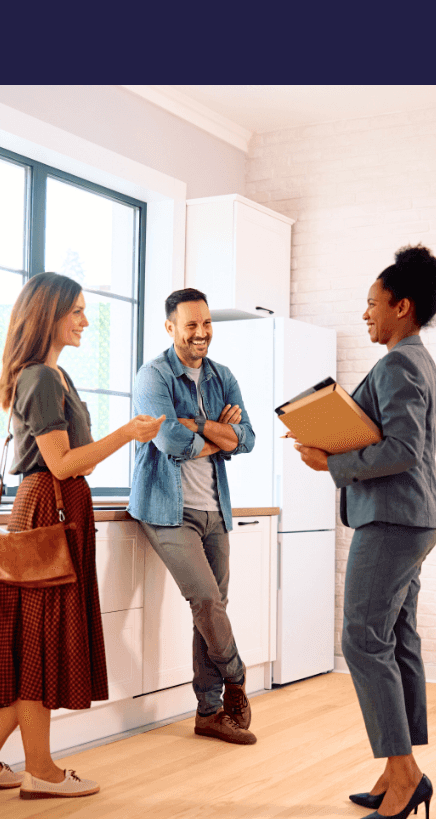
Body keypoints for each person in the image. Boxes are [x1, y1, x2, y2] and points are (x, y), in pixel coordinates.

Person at [0, 272, 164, 799]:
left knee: (31, 642)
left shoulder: (50, 375)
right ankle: (42, 771)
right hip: (50, 510)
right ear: (48, 314)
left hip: (50, 509)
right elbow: (62, 462)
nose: (85, 321)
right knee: (38, 644)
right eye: (76, 311)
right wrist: (130, 433)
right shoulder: (44, 379)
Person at [291, 245, 436, 819]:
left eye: (372, 304)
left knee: (361, 640)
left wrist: (329, 460)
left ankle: (403, 774)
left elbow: (403, 450)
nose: (365, 315)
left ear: (402, 307)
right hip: (413, 517)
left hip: (394, 518)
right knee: (396, 636)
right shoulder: (418, 361)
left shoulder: (399, 365)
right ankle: (398, 770)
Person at [128, 288, 258, 745]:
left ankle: (209, 712)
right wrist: (219, 435)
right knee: (205, 600)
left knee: (211, 610)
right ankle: (238, 677)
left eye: (206, 324)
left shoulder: (222, 376)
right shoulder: (154, 376)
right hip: (167, 509)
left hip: (215, 508)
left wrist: (200, 424)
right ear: (171, 328)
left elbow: (248, 439)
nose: (201, 333)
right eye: (191, 325)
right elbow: (169, 443)